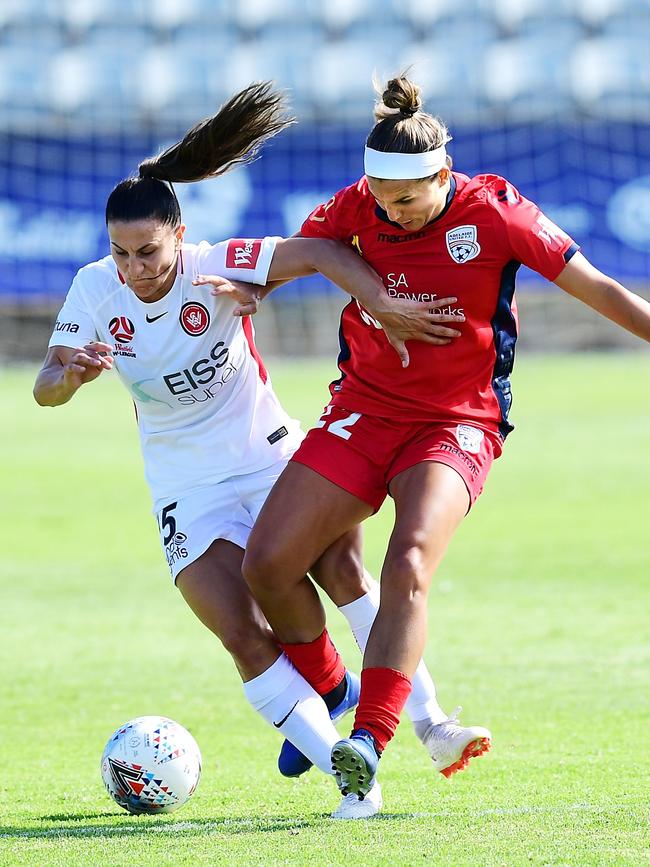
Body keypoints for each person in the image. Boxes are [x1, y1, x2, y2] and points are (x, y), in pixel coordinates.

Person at [32, 82, 466, 820]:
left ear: (180, 234)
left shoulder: (218, 262)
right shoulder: (93, 289)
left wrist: (379, 301)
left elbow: (323, 251)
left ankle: (430, 722)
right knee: (238, 628)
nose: (136, 268)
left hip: (269, 457)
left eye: (149, 251)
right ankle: (342, 748)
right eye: (121, 253)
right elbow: (45, 383)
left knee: (341, 567)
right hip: (183, 484)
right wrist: (66, 376)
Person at [241, 73, 650, 802]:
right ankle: (335, 693)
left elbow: (598, 288)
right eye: (379, 199)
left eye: (406, 200)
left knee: (411, 560)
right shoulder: (357, 206)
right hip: (365, 410)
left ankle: (366, 739)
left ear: (443, 176)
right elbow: (294, 254)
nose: (389, 214)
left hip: (457, 421)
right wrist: (247, 290)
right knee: (269, 563)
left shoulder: (495, 211)